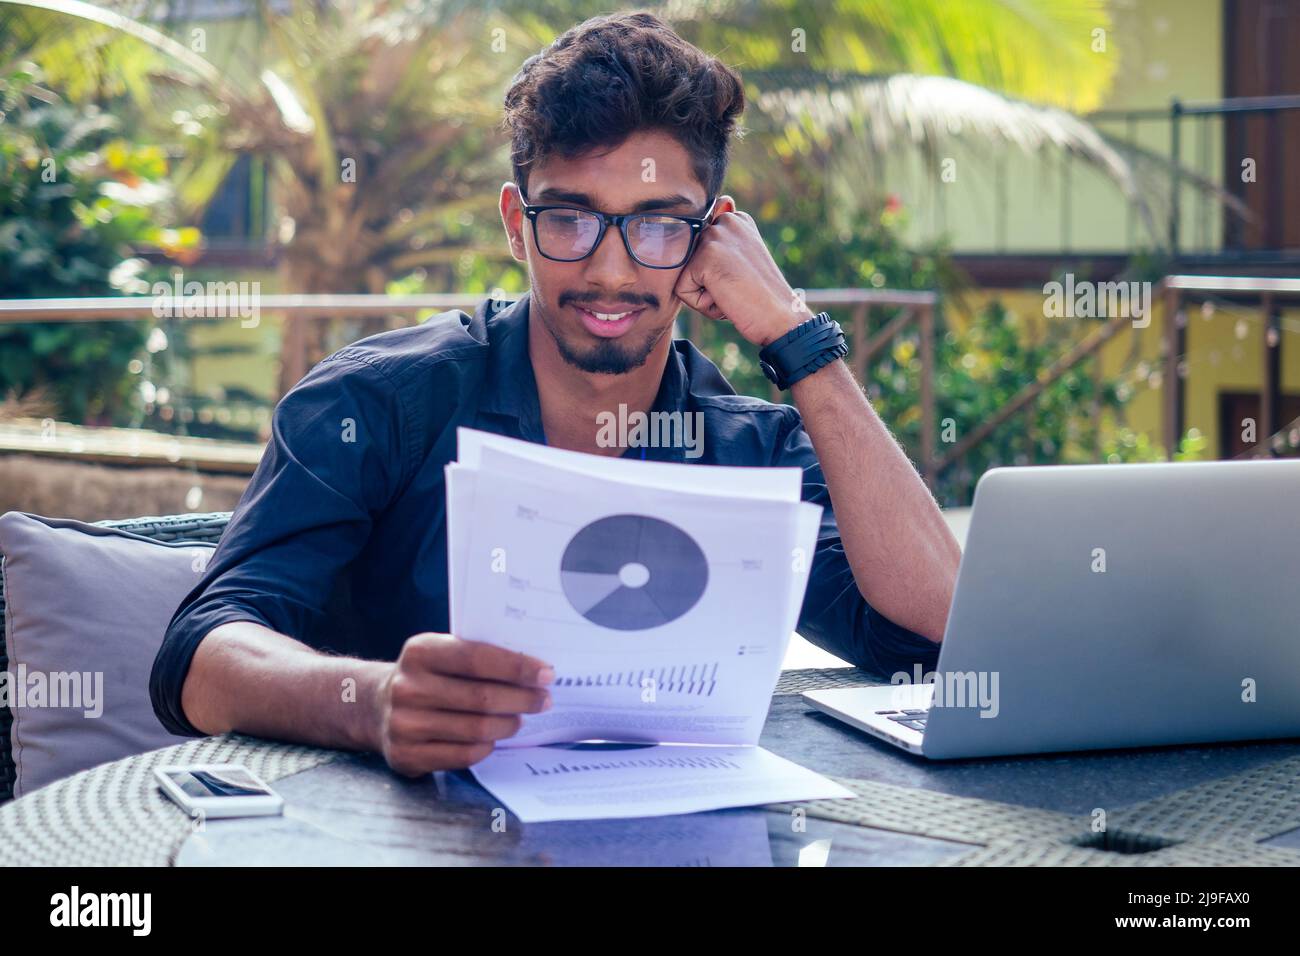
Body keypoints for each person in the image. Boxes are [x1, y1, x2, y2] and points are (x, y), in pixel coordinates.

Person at [150, 11, 961, 776]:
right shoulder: (376, 405)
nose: (610, 271)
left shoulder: (748, 449)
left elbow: (939, 635)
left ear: (714, 236)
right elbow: (200, 656)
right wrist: (376, 701)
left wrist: (797, 339)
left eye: (656, 224)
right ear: (515, 223)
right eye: (570, 219)